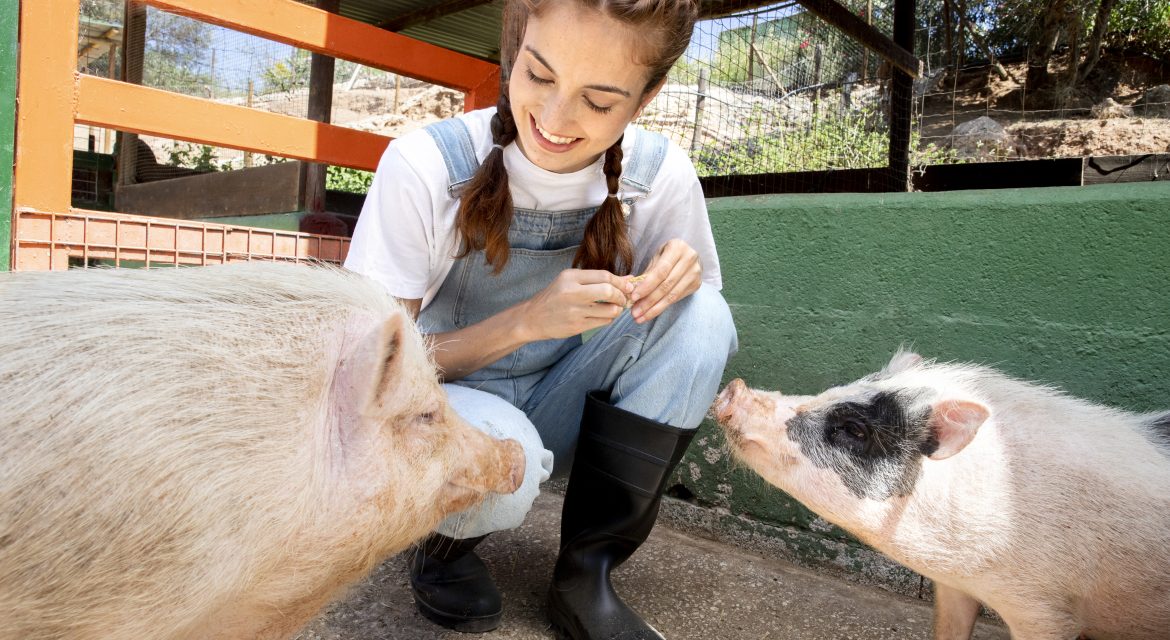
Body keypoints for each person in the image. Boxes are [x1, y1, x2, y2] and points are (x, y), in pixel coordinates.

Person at [343, 1, 737, 638]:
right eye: (539, 75)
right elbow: (372, 372)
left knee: (702, 315)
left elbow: (689, 342)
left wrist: (681, 277)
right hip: (440, 405)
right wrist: (526, 320)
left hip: (560, 398)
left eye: (598, 101)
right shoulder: (426, 165)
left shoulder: (657, 175)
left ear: (647, 96)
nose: (554, 119)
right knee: (510, 460)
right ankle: (440, 548)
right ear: (514, 45)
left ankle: (587, 576)